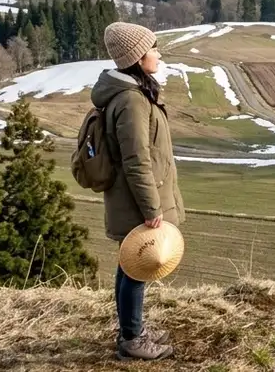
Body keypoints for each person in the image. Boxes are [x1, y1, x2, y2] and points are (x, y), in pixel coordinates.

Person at [91, 22, 185, 361]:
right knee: (137, 269)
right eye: (153, 48)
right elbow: (136, 160)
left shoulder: (131, 93)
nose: (158, 53)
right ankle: (132, 340)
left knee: (130, 266)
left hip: (132, 198)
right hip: (136, 202)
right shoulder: (131, 101)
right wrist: (152, 208)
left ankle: (132, 329)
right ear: (136, 57)